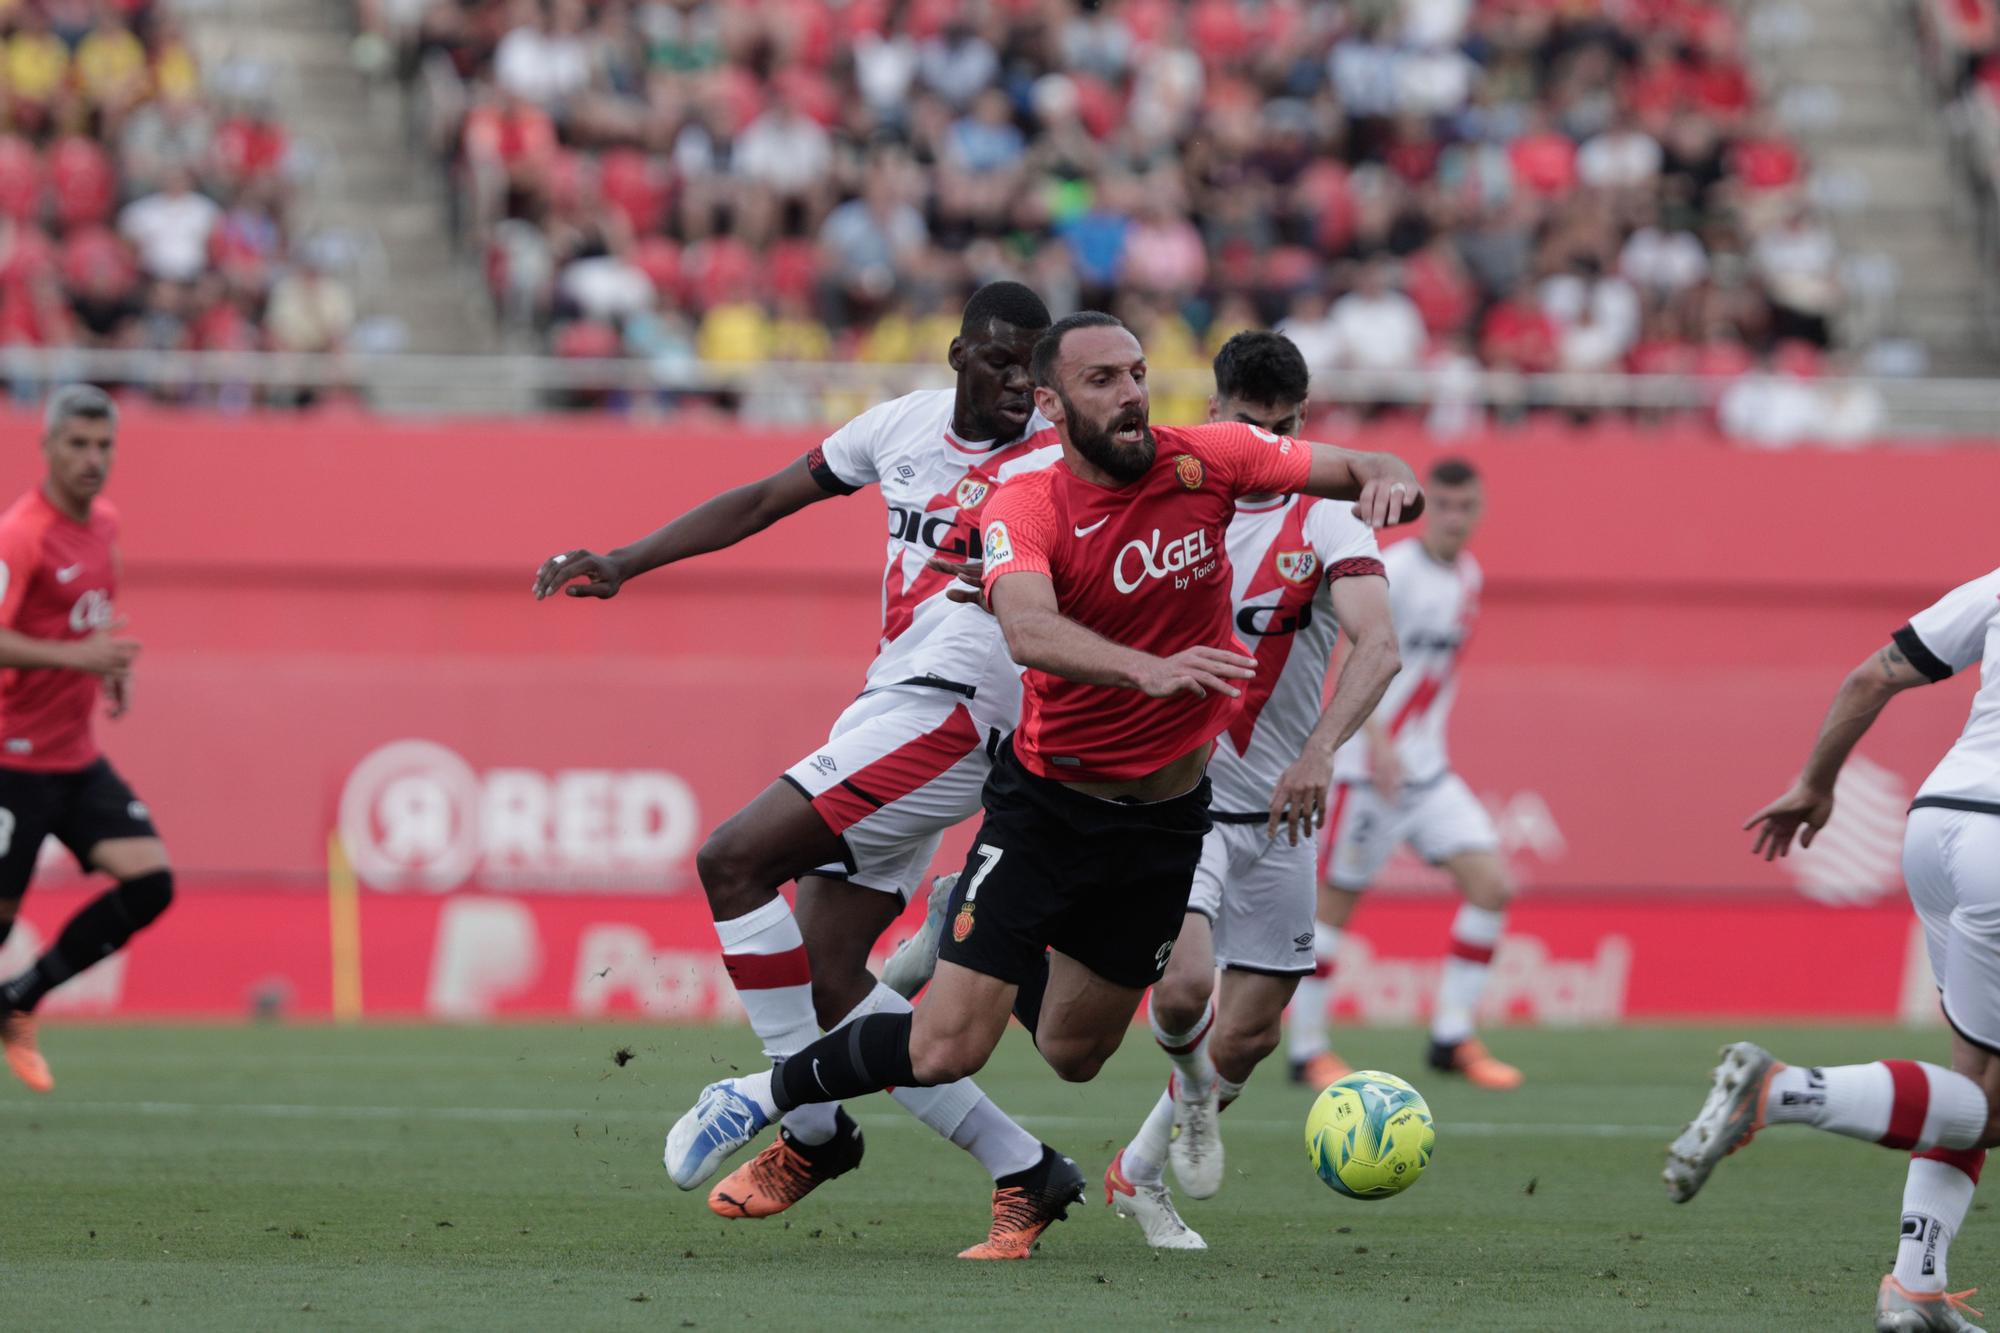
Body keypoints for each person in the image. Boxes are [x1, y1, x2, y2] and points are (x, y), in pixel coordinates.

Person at [662, 311, 1424, 1254]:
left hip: (1165, 823)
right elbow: (1026, 629)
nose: (1133, 393)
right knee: (947, 1042)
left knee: (1075, 1054)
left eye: (1139, 372)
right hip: (1047, 806)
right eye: (1103, 380)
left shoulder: (1210, 458)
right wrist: (1144, 667)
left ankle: (957, 926)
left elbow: (1354, 466)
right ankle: (761, 1096)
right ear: (1055, 404)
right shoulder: (1026, 505)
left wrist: (1389, 471)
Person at [533, 283, 1062, 1256]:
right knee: (827, 979)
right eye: (999, 361)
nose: (1018, 383)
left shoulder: (1057, 465)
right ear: (955, 353)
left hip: (956, 710)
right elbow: (765, 498)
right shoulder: (899, 428)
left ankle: (808, 1127)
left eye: (1035, 366)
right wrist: (625, 561)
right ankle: (1024, 1168)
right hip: (892, 702)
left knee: (731, 859)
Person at [1104, 331, 1402, 1249]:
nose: (1272, 449)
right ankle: (1192, 1094)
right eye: (1253, 426)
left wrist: (1319, 752)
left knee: (1255, 1033)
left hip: (1280, 809)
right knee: (1187, 987)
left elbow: (1378, 644)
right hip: (1176, 796)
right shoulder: (1161, 491)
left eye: (1289, 429)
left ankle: (1137, 1173)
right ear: (1217, 414)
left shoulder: (1326, 519)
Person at [1667, 567, 2000, 1333]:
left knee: (1968, 1086)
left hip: (1939, 821)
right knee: (1986, 1107)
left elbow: (1870, 676)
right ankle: (1780, 1090)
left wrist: (1817, 784)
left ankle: (1915, 1287)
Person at [1287, 457, 1523, 1092]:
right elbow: (1353, 653)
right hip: (1369, 772)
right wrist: (1379, 742)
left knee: (1492, 885)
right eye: (1441, 505)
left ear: (1480, 510)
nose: (1452, 517)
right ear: (1428, 508)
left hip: (1429, 775)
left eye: (1464, 506)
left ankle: (1451, 1036)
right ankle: (1306, 1048)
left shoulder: (1468, 576)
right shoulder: (1400, 570)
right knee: (1332, 911)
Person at [0, 386, 164, 1093]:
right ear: (48, 446)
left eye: (103, 446)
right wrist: (80, 659)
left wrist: (108, 671)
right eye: (78, 444)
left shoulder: (104, 525)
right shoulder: (21, 533)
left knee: (150, 882)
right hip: (10, 759)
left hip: (74, 754)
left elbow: (88, 618)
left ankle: (17, 998)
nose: (92, 459)